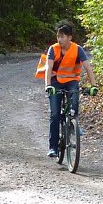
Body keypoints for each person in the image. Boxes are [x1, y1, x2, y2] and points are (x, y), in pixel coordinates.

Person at [37, 22, 97, 158]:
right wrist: (48, 85)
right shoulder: (53, 49)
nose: (60, 39)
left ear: (70, 37)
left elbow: (88, 67)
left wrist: (93, 86)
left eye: (62, 36)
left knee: (74, 101)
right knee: (55, 114)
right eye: (58, 36)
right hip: (55, 81)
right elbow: (48, 68)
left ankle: (73, 124)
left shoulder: (78, 49)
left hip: (71, 81)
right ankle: (53, 147)